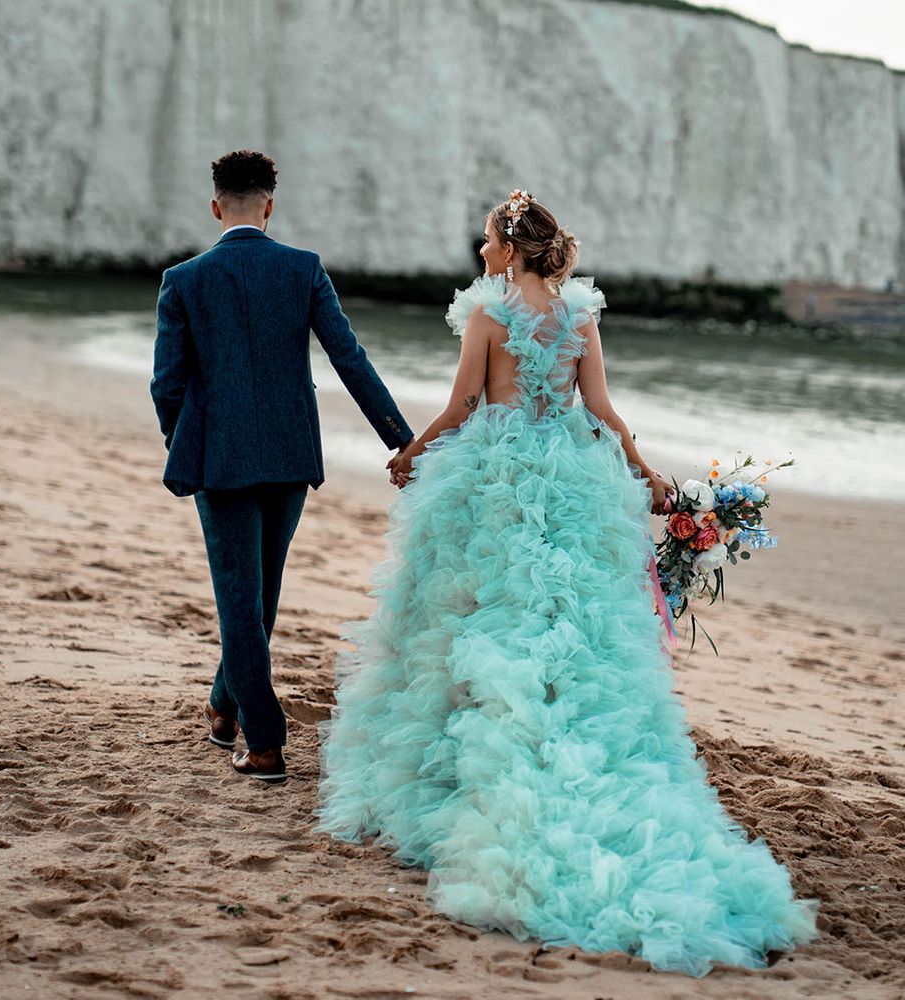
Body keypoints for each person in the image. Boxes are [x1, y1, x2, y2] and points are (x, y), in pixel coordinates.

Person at [313, 190, 819, 975]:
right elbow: (603, 412)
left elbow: (464, 405)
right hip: (573, 479)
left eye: (489, 240)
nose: (482, 250)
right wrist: (645, 473)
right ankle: (555, 733)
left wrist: (412, 452)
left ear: (511, 248)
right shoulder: (580, 317)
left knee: (476, 616)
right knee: (569, 620)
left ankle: (465, 771)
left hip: (496, 479)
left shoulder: (487, 313)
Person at [149, 149, 413, 783]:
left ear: (216, 207)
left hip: (221, 460)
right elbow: (349, 358)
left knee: (242, 597)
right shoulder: (303, 268)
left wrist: (184, 442)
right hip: (292, 455)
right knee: (258, 594)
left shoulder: (183, 280)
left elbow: (166, 384)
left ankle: (264, 744)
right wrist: (400, 439)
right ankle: (223, 708)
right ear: (269, 206)